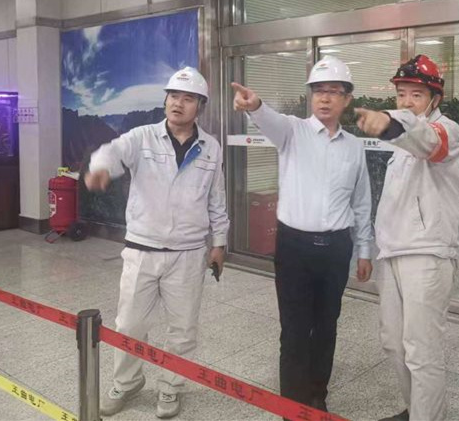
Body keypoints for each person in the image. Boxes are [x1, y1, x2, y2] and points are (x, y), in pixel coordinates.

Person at [231, 55, 373, 412]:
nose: (324, 98)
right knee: (294, 330)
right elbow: (269, 119)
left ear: (347, 99)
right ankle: (293, 407)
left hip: (336, 249)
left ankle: (317, 396)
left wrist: (364, 249)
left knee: (326, 326)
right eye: (318, 90)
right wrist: (255, 106)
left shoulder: (354, 147)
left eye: (333, 91)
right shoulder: (292, 132)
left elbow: (361, 201)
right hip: (294, 247)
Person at [85, 67, 229, 419]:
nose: (178, 103)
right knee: (129, 324)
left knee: (182, 329)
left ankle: (171, 387)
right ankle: (127, 382)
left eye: (188, 98)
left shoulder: (210, 147)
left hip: (188, 253)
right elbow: (111, 151)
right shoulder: (143, 137)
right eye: (173, 96)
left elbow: (216, 199)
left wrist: (219, 242)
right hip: (142, 250)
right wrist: (101, 169)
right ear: (165, 101)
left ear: (200, 106)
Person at [355, 54, 459, 421]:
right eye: (401, 94)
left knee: (422, 350)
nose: (406, 102)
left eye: (416, 95)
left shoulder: (447, 131)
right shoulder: (400, 142)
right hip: (392, 252)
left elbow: (426, 141)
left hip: (427, 254)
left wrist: (390, 122)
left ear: (435, 98)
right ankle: (416, 410)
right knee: (394, 344)